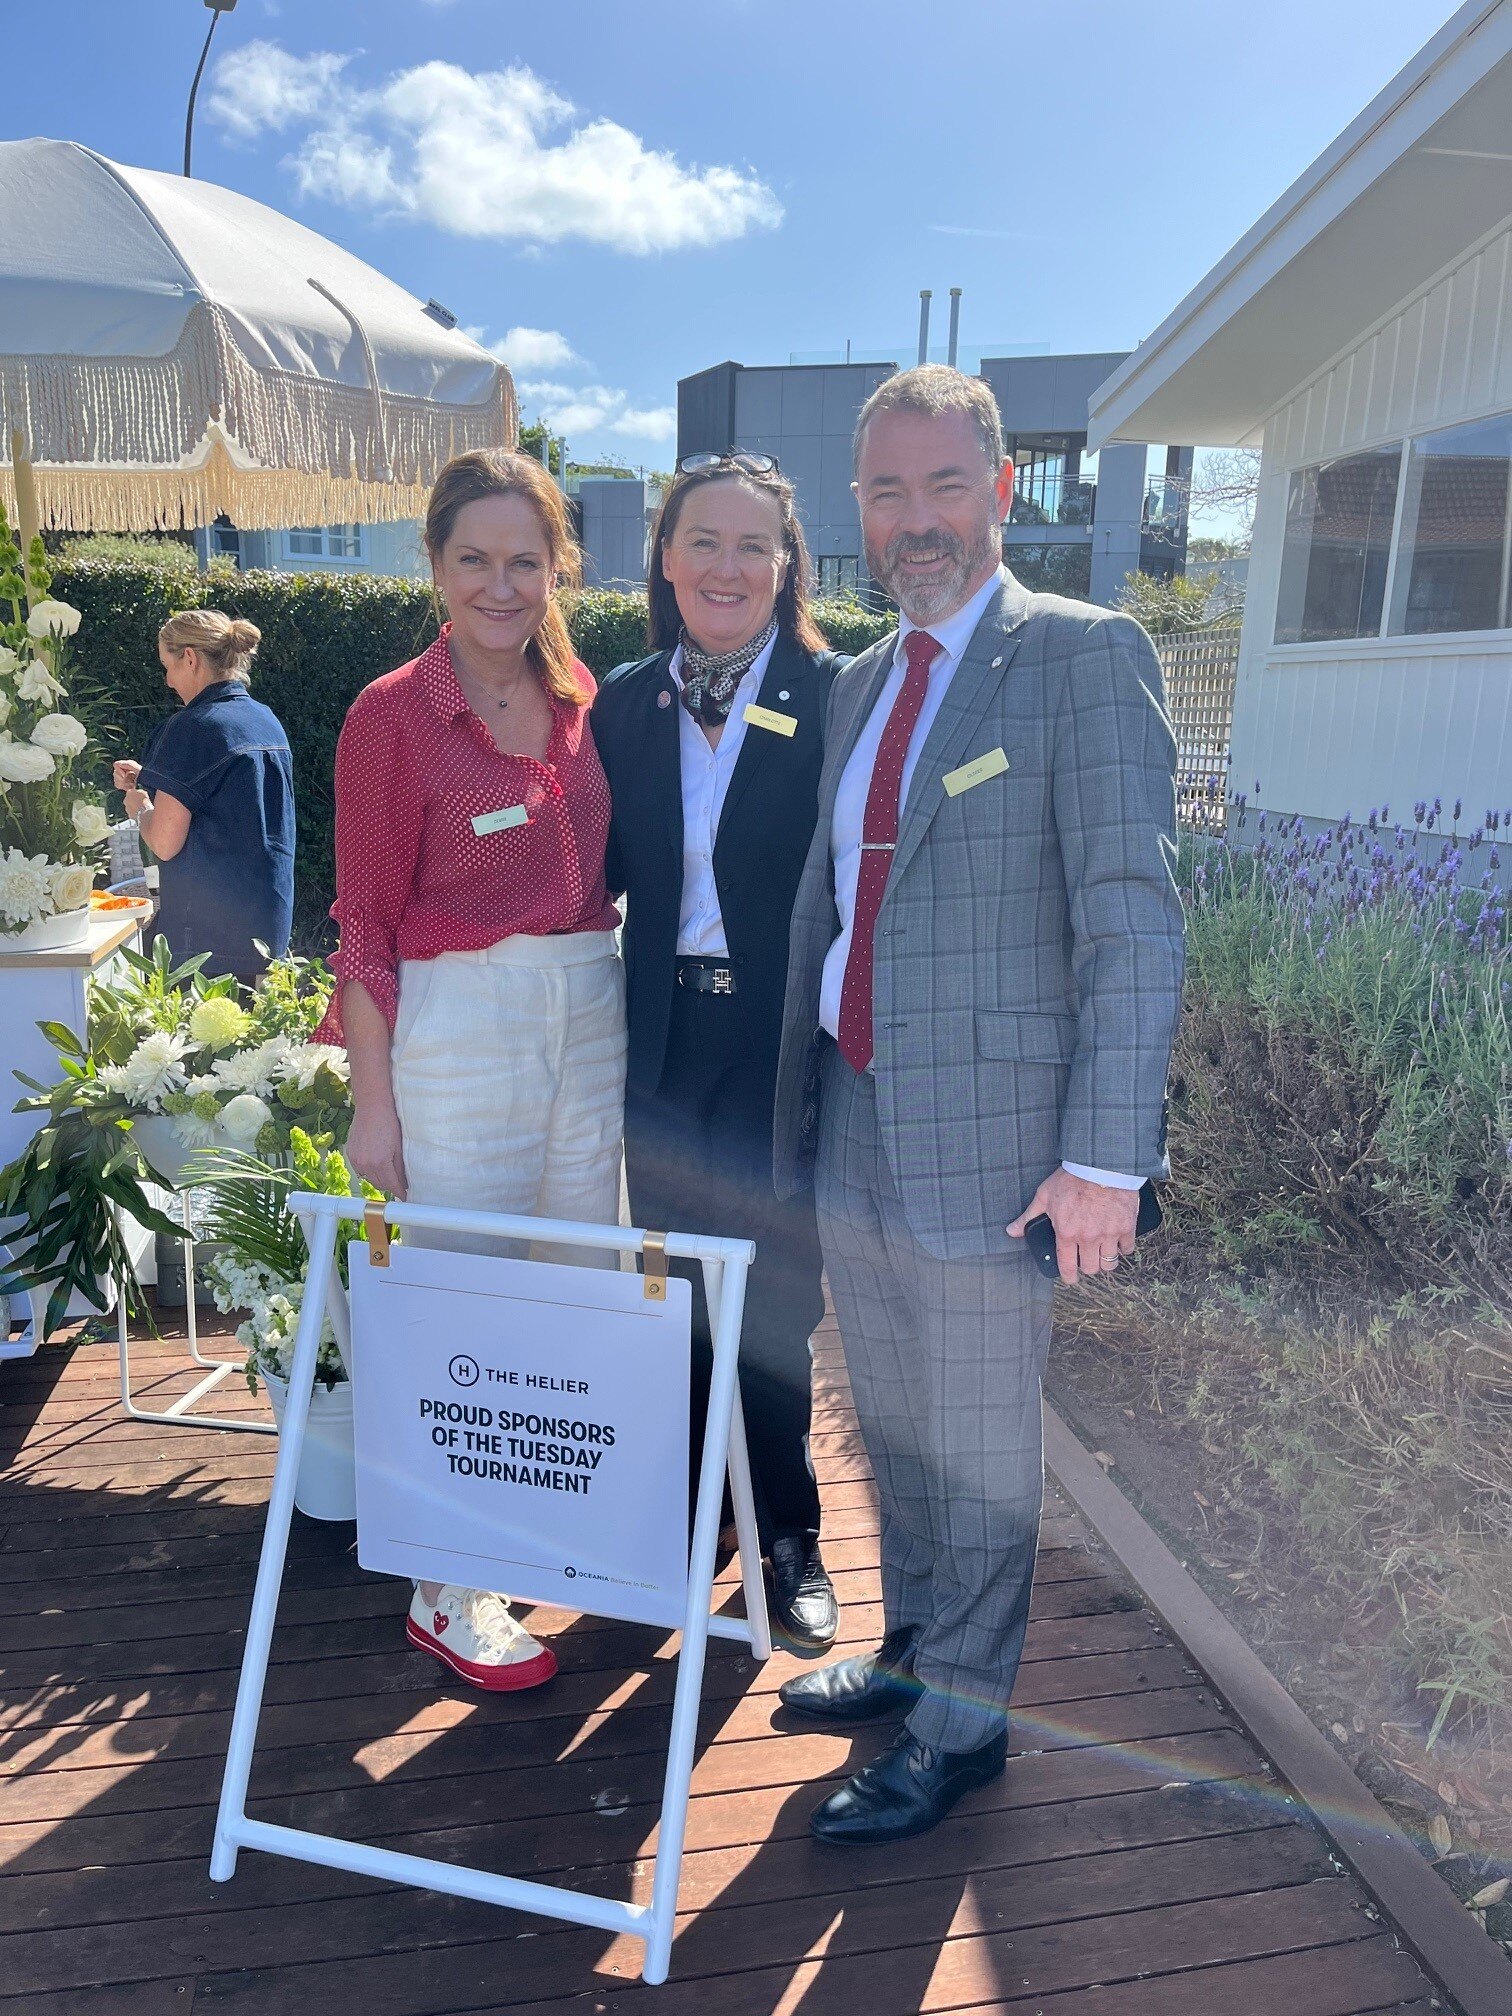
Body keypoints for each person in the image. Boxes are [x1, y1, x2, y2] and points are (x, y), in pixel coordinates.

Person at [772, 366, 1185, 1842]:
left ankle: (966, 1727)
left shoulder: (1085, 655)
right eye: (887, 490)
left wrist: (1102, 1157)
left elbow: (1132, 920)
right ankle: (920, 1644)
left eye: (945, 484)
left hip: (1004, 1145)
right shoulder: (859, 682)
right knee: (891, 1418)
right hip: (857, 1110)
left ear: (1003, 489)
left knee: (984, 1434)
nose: (915, 518)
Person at [324, 448, 625, 1693]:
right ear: (436, 566)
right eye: (474, 560)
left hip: (585, 1006)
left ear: (557, 568)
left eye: (525, 560)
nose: (501, 586)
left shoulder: (580, 696)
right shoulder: (391, 715)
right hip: (459, 1025)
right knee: (462, 1303)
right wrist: (373, 1104)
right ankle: (448, 1589)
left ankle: (524, 1534)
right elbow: (362, 924)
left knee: (570, 1291)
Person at [592, 453, 845, 1652]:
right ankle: (697, 1520)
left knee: (776, 1299)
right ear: (666, 558)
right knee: (678, 1284)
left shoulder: (838, 694)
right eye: (704, 542)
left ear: (787, 564)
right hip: (664, 1038)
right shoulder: (622, 704)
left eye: (754, 545)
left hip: (777, 1037)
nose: (727, 567)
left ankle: (787, 1533)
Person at [114, 612, 294, 982]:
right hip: (266, 927)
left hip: (206, 942)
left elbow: (164, 842)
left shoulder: (193, 727)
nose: (167, 680)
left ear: (191, 658)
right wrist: (150, 777)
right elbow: (230, 804)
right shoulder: (265, 720)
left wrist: (140, 807)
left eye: (168, 666)